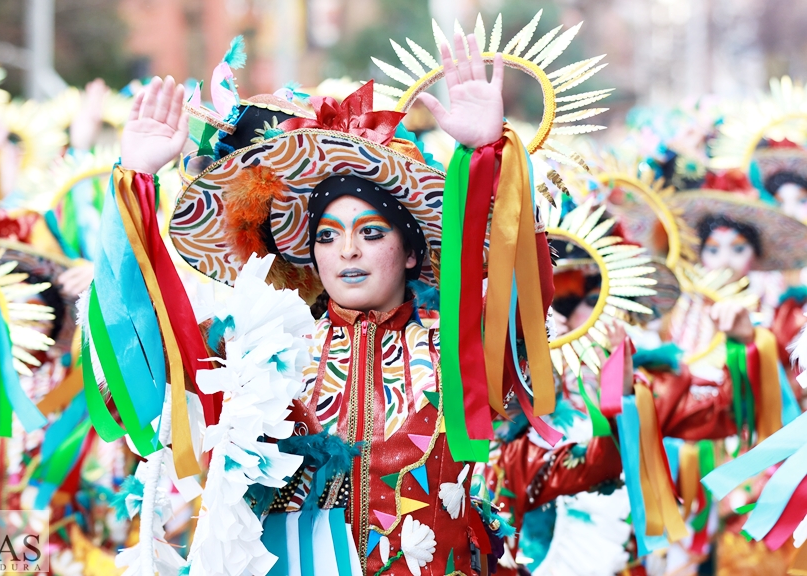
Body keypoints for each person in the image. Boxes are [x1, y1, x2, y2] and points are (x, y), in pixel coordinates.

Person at [110, 32, 554, 576]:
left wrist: (493, 155)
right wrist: (133, 184)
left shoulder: (456, 349)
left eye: (370, 233)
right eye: (326, 237)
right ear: (308, 256)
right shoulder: (254, 354)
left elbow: (523, 308)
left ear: (412, 251)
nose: (346, 251)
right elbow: (139, 379)